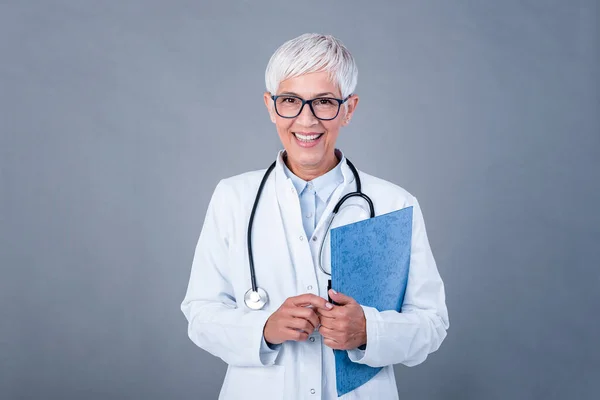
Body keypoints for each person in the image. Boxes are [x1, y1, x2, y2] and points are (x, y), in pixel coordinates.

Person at [181, 33, 449, 400]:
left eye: (324, 102)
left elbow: (432, 323)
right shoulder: (233, 198)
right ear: (271, 106)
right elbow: (200, 313)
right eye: (290, 100)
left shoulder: (393, 204)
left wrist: (370, 330)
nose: (306, 120)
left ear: (349, 108)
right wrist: (264, 327)